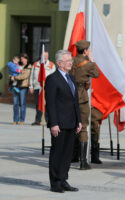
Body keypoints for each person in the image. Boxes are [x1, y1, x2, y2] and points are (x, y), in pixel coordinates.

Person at [45, 50, 82, 193]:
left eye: (71, 61)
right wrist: (53, 123)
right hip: (59, 123)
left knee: (67, 154)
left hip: (72, 122)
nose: (70, 63)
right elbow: (51, 104)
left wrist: (79, 121)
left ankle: (63, 179)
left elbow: (75, 102)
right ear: (59, 63)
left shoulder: (71, 78)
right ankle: (55, 183)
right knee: (57, 153)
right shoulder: (52, 79)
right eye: (67, 61)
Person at [70, 40, 100, 170]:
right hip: (81, 96)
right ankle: (83, 162)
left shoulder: (70, 62)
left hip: (70, 95)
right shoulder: (88, 64)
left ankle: (71, 156)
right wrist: (92, 60)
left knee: (70, 126)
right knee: (83, 126)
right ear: (86, 51)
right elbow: (97, 74)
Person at [30, 51, 56, 126]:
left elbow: (54, 77)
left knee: (48, 104)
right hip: (38, 87)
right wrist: (31, 86)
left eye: (46, 56)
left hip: (48, 87)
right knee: (38, 104)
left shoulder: (51, 65)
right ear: (41, 55)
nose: (45, 57)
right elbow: (31, 76)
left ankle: (49, 120)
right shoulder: (35, 64)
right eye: (43, 56)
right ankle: (38, 120)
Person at [10, 53, 32, 125]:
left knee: (22, 104)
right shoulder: (17, 65)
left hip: (23, 87)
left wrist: (15, 77)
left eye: (23, 58)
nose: (21, 60)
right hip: (15, 86)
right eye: (21, 58)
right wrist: (11, 76)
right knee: (15, 103)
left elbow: (25, 76)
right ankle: (15, 119)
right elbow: (11, 71)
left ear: (26, 59)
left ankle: (22, 120)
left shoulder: (29, 66)